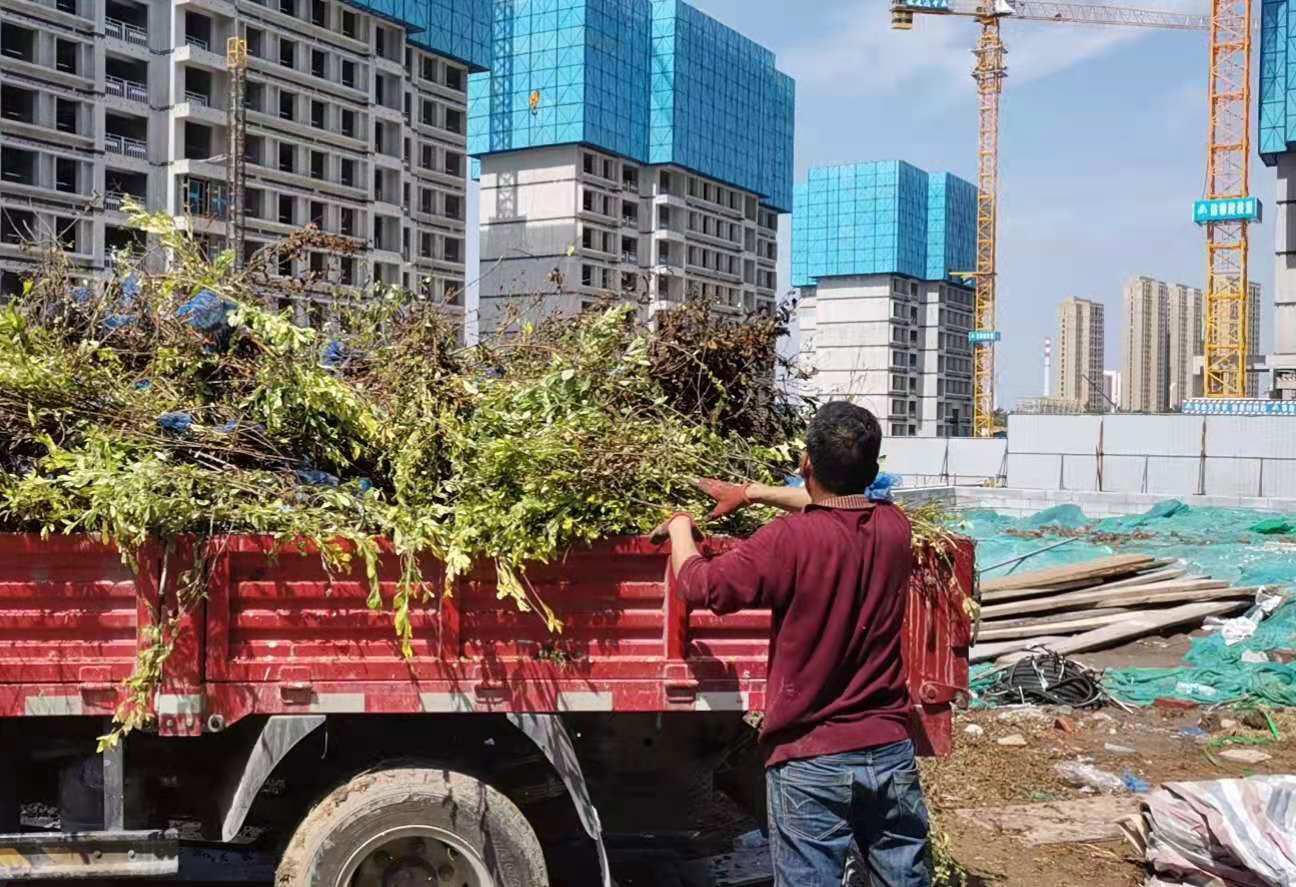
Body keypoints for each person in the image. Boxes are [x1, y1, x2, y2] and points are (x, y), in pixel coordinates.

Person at [653, 401, 930, 887]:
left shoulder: (788, 541)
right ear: (874, 469)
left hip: (811, 758)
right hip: (889, 751)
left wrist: (680, 529)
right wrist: (751, 494)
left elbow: (703, 587)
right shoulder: (895, 528)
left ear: (806, 464)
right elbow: (838, 507)